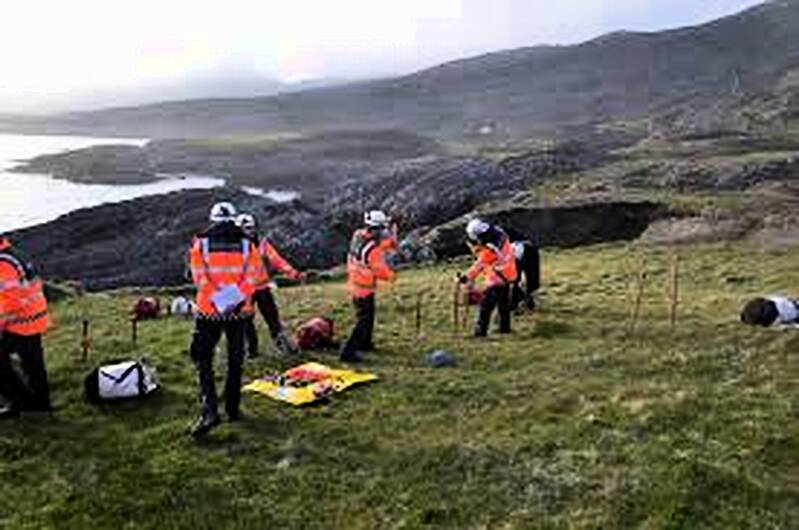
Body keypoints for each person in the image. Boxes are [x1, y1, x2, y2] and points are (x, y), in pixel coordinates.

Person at [186, 202, 268, 437]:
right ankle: (232, 409)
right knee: (235, 360)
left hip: (208, 311)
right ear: (233, 220)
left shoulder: (200, 244)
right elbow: (252, 278)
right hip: (238, 311)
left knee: (203, 358)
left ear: (213, 220)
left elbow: (199, 278)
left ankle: (210, 410)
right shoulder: (247, 245)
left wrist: (218, 300)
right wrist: (231, 300)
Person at [236, 213, 304, 358]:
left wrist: (293, 273)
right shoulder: (232, 247)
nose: (249, 231)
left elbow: (277, 260)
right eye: (245, 228)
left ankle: (282, 346)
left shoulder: (262, 243)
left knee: (273, 319)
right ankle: (252, 352)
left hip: (262, 288)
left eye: (251, 228)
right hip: (244, 291)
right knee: (246, 322)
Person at [0, 235, 52, 419]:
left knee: (25, 364)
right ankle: (39, 407)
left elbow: (10, 301)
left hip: (20, 322)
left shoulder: (3, 262)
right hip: (33, 318)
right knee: (34, 365)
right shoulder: (15, 254)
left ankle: (22, 403)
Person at [340, 210, 397, 363]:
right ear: (376, 229)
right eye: (382, 228)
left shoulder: (358, 235)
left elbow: (380, 244)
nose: (384, 231)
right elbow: (380, 270)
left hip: (355, 284)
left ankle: (365, 343)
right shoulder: (373, 250)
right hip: (364, 287)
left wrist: (391, 241)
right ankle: (348, 352)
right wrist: (391, 276)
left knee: (368, 316)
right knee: (363, 321)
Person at [458, 218, 518, 337]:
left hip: (497, 279)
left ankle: (480, 333)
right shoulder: (500, 234)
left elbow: (478, 266)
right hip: (509, 273)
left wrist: (465, 278)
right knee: (503, 305)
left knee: (485, 307)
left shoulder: (489, 249)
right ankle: (504, 328)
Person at [510, 239, 540, 311]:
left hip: (527, 253)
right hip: (517, 253)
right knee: (515, 281)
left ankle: (525, 301)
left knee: (530, 280)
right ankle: (518, 301)